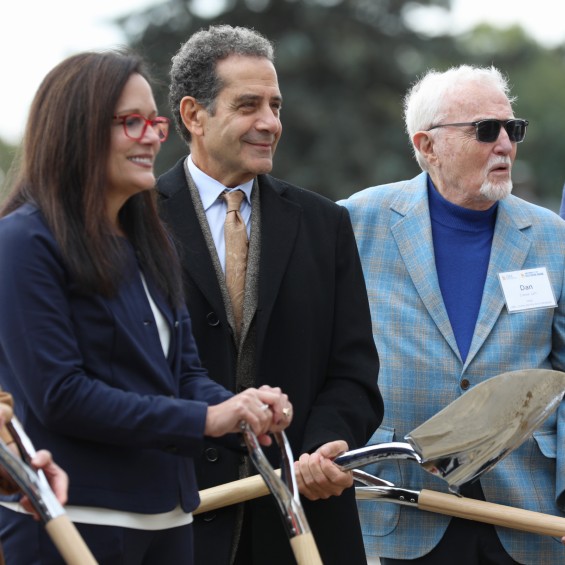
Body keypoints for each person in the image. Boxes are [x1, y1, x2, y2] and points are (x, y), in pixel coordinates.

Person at [0, 49, 293, 565]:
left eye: (154, 122)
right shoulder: (23, 241)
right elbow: (59, 395)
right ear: (76, 129)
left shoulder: (146, 238)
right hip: (77, 523)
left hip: (171, 520)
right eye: (131, 122)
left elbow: (183, 375)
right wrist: (206, 417)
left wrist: (243, 409)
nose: (153, 137)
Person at [157, 24, 383, 565]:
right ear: (193, 115)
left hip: (304, 525)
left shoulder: (324, 223)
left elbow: (353, 372)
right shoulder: (131, 220)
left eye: (276, 106)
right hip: (174, 524)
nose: (270, 123)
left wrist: (326, 444)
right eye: (248, 105)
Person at [339, 64, 565, 565]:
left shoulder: (553, 237)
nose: (505, 143)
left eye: (514, 129)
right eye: (486, 130)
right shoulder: (357, 221)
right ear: (427, 146)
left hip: (528, 512)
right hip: (405, 504)